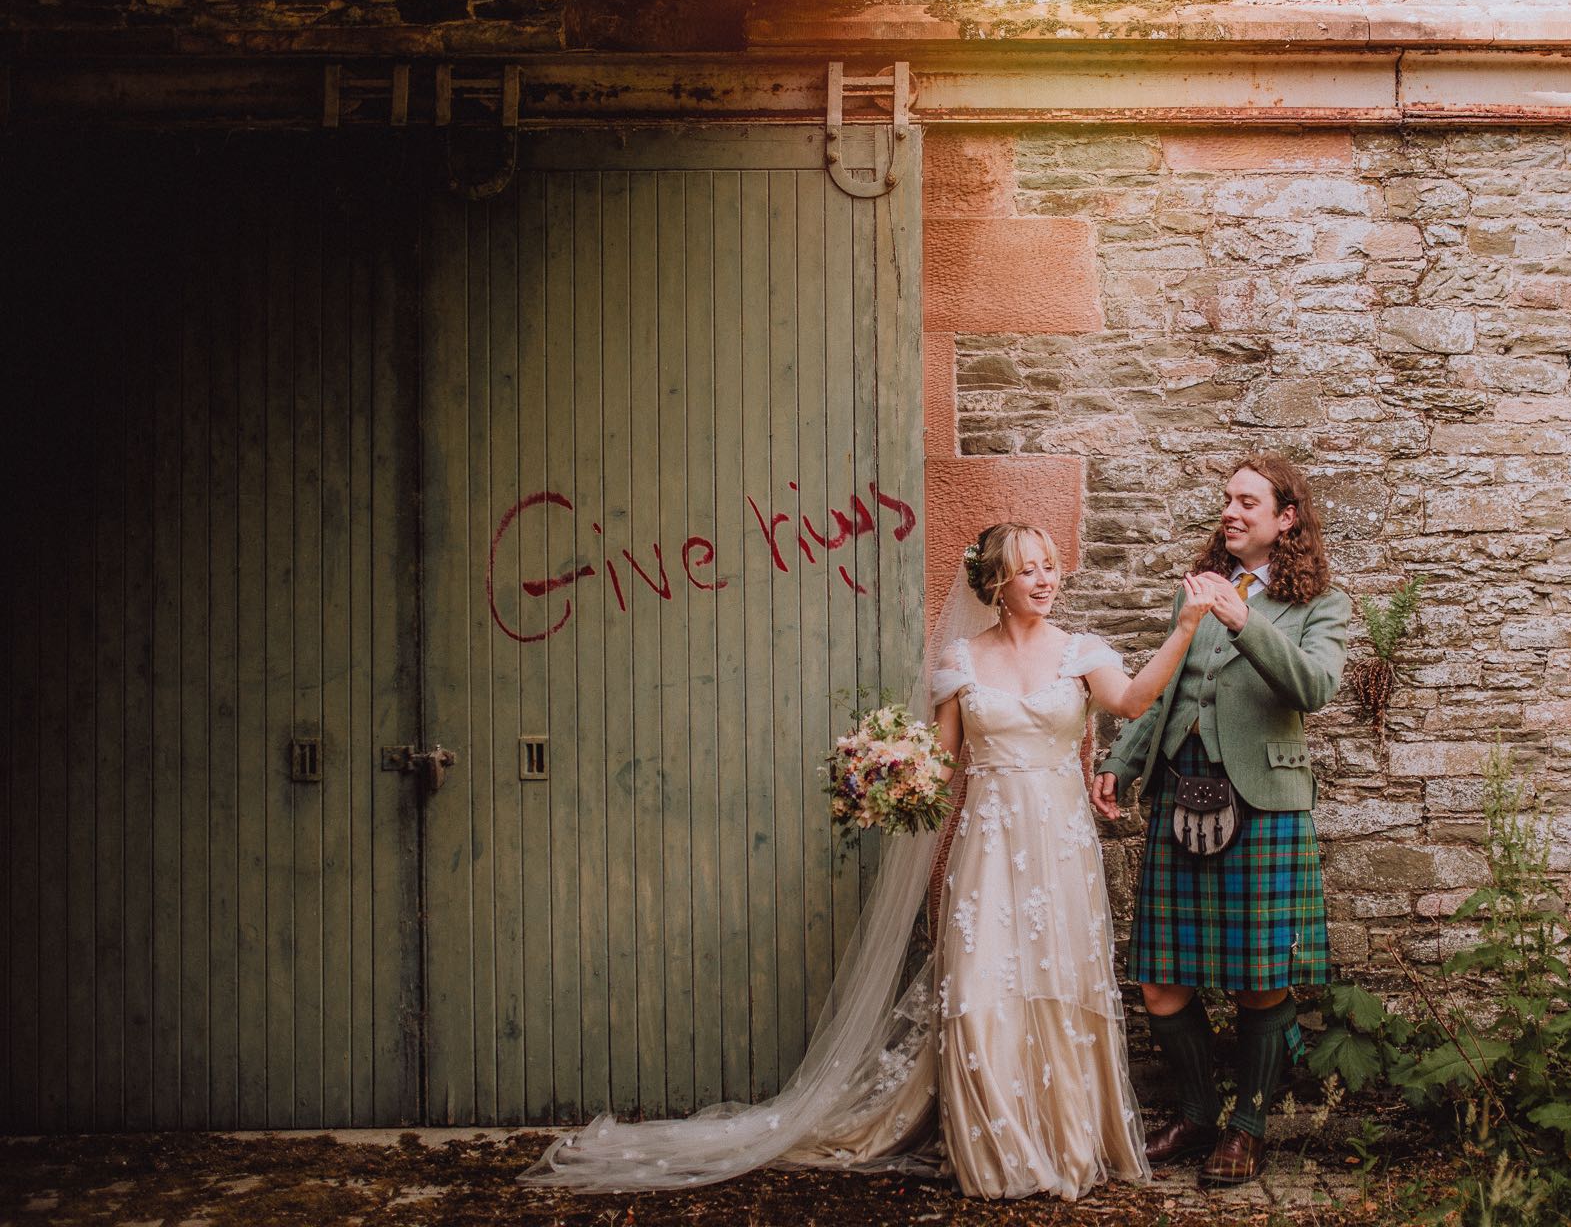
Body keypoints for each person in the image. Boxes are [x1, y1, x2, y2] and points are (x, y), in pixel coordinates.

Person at [524, 521, 1226, 1200]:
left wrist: (1187, 625)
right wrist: (888, 773)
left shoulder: (1081, 651)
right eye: (1028, 568)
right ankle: (998, 1154)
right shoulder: (961, 661)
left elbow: (1133, 702)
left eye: (1050, 566)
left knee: (1056, 987)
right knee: (982, 988)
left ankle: (1065, 1140)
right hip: (988, 840)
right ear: (997, 582)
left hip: (1058, 845)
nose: (1046, 580)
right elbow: (943, 763)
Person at [1092, 453, 1352, 1187]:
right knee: (1161, 983)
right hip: (1183, 790)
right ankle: (1199, 1114)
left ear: (1286, 517)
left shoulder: (1320, 604)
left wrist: (1245, 625)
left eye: (1247, 502)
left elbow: (1317, 686)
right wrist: (1125, 758)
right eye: (1226, 500)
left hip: (1262, 801)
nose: (1230, 512)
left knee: (1259, 982)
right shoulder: (1203, 586)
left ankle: (1247, 1128)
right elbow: (1168, 681)